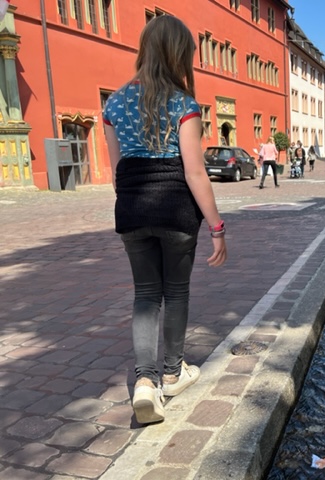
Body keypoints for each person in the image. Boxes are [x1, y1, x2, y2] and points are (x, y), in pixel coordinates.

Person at [103, 15, 228, 425]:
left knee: (144, 295)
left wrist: (130, 207)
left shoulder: (114, 103)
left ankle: (144, 382)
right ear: (179, 55)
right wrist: (216, 228)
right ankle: (173, 373)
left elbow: (117, 167)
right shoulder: (183, 104)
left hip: (133, 209)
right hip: (175, 210)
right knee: (175, 292)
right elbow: (195, 172)